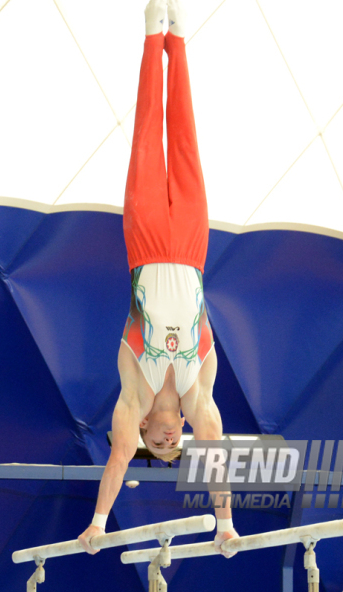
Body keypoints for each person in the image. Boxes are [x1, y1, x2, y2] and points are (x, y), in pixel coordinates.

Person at [78, 0, 238, 556]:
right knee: (187, 140)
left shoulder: (133, 397)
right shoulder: (201, 402)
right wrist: (224, 524)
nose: (172, 441)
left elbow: (118, 458)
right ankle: (181, 39)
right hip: (192, 250)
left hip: (145, 245)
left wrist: (100, 522)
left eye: (160, 444)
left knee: (149, 134)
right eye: (177, 447)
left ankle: (154, 32)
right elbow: (214, 457)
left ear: (146, 429)